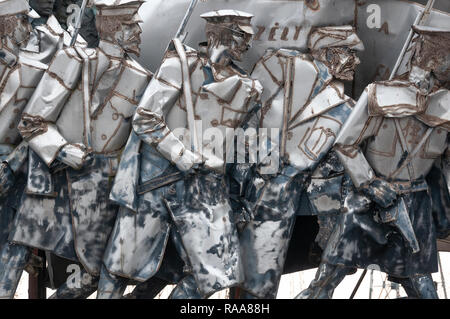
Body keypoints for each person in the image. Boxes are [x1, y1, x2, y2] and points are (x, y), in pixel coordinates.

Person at [99, 10, 262, 299]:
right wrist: (180, 153)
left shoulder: (249, 88)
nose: (246, 44)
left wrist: (245, 192)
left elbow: (248, 147)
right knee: (121, 267)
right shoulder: (180, 66)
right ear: (216, 35)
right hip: (157, 184)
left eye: (248, 37)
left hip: (208, 189)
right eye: (240, 35)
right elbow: (146, 118)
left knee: (218, 274)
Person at [0, 0, 152, 299]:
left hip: (99, 192)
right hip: (49, 179)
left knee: (93, 273)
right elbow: (34, 122)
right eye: (131, 26)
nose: (138, 32)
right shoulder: (72, 58)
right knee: (13, 253)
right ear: (112, 28)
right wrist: (60, 149)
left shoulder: (142, 77)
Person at [298, 26, 449, 299]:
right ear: (419, 55)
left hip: (414, 207)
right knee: (326, 279)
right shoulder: (379, 94)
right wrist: (369, 182)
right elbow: (346, 143)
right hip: (367, 201)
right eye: (438, 57)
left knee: (422, 286)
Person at [230, 26, 364, 299]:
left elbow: (340, 156)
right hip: (252, 178)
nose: (356, 60)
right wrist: (243, 174)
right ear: (329, 51)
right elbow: (247, 114)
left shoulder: (345, 106)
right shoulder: (281, 63)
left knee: (260, 279)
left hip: (288, 192)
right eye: (349, 52)